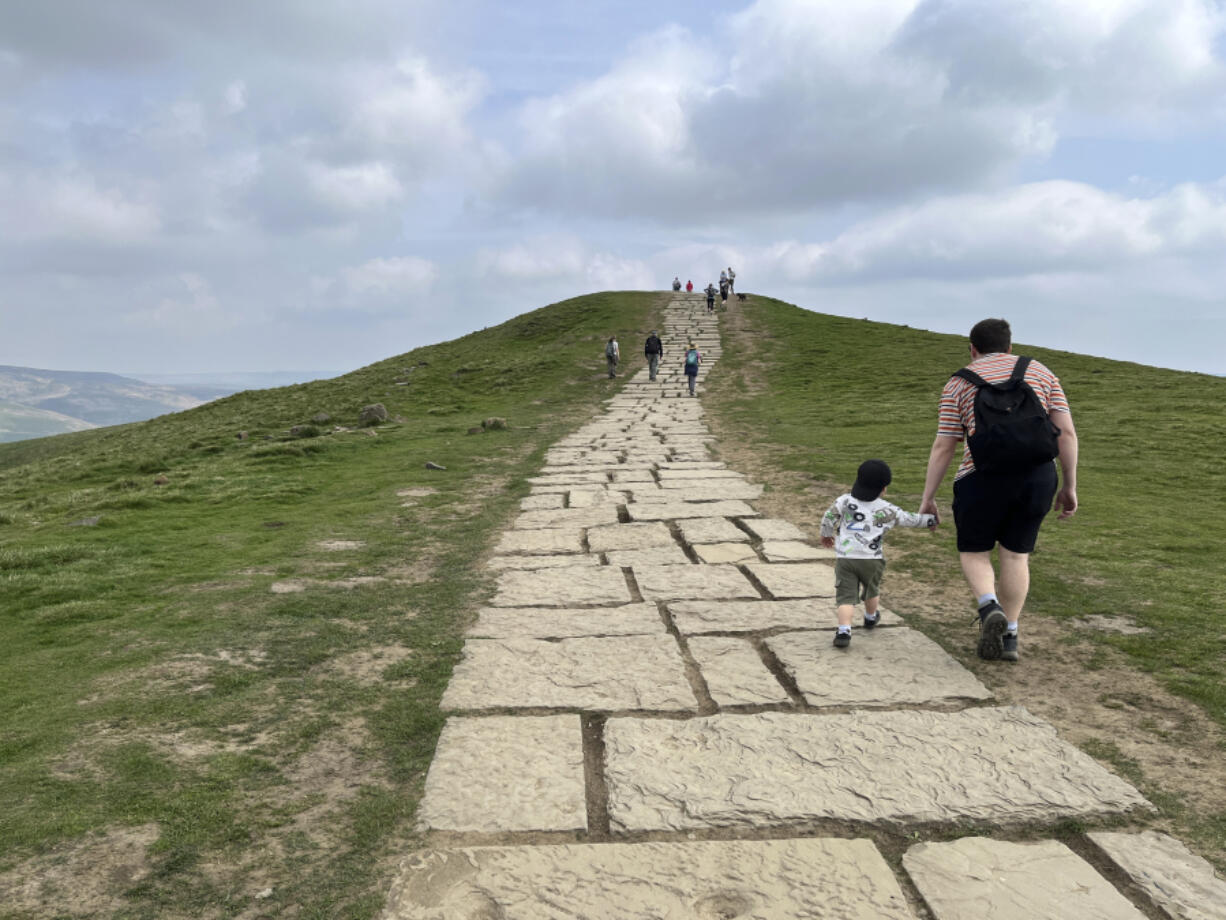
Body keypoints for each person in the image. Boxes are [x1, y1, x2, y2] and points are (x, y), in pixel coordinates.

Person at [919, 318, 1078, 663]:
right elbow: (1065, 433)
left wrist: (928, 497)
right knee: (1016, 554)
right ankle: (1011, 634)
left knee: (975, 551)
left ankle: (988, 604)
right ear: (1009, 345)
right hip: (1037, 476)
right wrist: (1068, 485)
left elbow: (945, 445)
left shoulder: (959, 383)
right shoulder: (1040, 372)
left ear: (972, 349)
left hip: (981, 477)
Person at [821, 460, 935, 648]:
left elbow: (829, 516)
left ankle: (843, 631)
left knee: (845, 597)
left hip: (846, 559)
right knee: (871, 590)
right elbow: (908, 519)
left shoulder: (844, 501)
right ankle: (871, 617)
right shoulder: (888, 509)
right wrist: (930, 520)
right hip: (872, 560)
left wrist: (826, 535)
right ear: (884, 488)